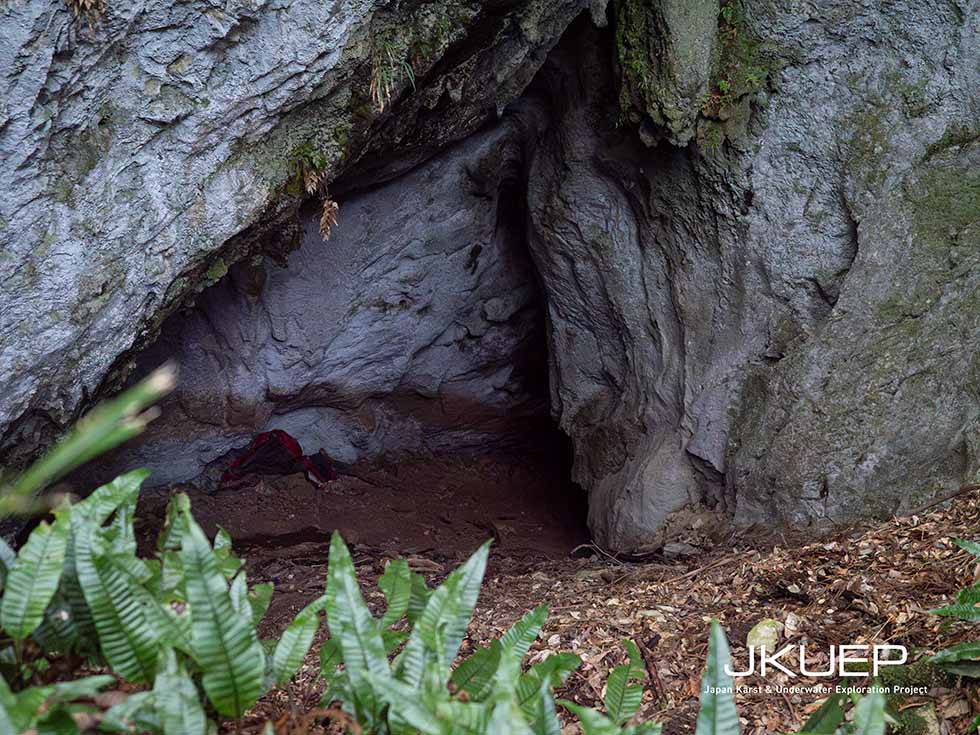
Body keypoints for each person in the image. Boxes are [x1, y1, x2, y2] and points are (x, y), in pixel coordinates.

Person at [220, 430, 337, 488]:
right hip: (280, 443)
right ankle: (326, 473)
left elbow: (251, 459)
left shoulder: (242, 464)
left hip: (279, 445)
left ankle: (326, 475)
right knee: (289, 467)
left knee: (290, 467)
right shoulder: (244, 462)